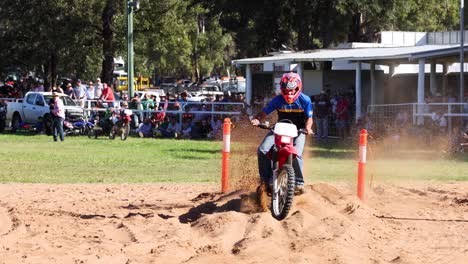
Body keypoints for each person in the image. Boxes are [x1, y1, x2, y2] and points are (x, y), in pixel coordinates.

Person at [250, 72, 313, 195]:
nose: (289, 93)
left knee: (297, 153)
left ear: (298, 87)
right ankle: (265, 180)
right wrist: (257, 119)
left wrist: (308, 128)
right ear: (282, 89)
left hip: (298, 131)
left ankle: (299, 183)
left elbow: (309, 118)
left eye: (292, 90)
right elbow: (264, 112)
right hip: (279, 129)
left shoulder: (305, 100)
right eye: (286, 90)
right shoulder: (277, 100)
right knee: (262, 150)